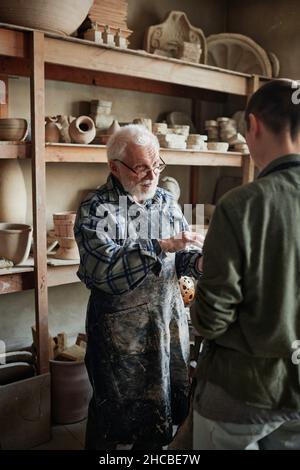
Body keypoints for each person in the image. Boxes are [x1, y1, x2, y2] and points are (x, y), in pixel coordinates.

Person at [74, 124, 203, 450]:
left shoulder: (167, 202)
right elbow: (106, 272)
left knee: (164, 417)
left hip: (168, 330)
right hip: (121, 341)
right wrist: (160, 245)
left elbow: (183, 263)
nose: (151, 175)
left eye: (156, 164)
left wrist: (200, 264)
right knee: (115, 423)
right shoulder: (97, 209)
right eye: (141, 167)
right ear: (114, 167)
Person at [191, 79, 300, 450]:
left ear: (253, 125)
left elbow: (210, 320)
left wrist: (208, 270)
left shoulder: (242, 205)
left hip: (243, 391)